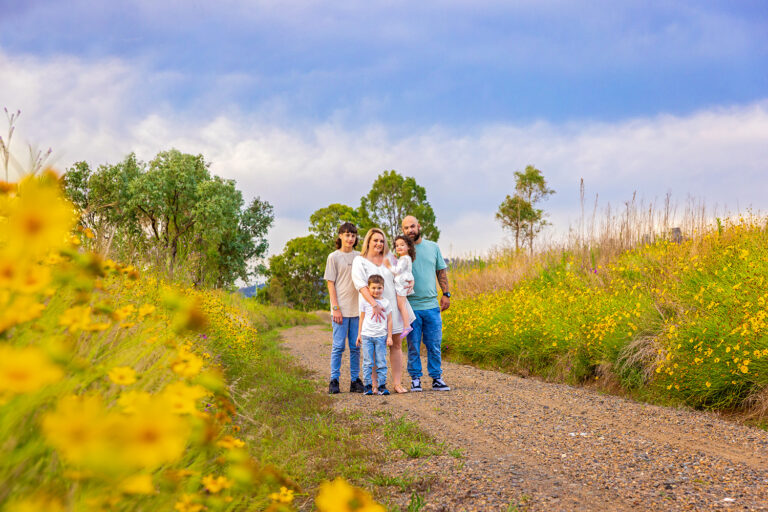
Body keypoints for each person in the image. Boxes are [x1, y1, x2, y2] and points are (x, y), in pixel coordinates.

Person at [351, 227, 415, 394]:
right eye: (375, 240)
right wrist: (374, 304)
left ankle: (397, 383)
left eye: (381, 240)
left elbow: (402, 274)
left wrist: (410, 283)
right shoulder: (360, 260)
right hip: (372, 309)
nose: (379, 243)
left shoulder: (389, 258)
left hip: (391, 305)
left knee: (396, 344)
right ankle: (374, 384)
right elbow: (361, 285)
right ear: (369, 242)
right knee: (372, 346)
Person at [401, 215, 451, 392]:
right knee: (413, 345)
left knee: (434, 344)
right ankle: (415, 379)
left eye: (412, 226)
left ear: (419, 226)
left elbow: (441, 272)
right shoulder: (402, 251)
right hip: (411, 307)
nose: (410, 230)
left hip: (431, 306)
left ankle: (436, 378)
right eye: (406, 228)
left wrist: (446, 294)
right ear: (403, 231)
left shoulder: (433, 247)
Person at [323, 222, 364, 394]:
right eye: (347, 235)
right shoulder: (334, 257)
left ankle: (355, 380)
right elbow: (330, 284)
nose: (350, 238)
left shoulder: (359, 257)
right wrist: (336, 308)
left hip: (357, 310)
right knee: (338, 346)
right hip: (340, 309)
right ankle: (334, 380)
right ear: (340, 236)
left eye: (353, 236)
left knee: (355, 347)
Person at [356, 274, 393, 395]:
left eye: (379, 288)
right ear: (368, 288)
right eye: (373, 288)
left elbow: (390, 320)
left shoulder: (386, 302)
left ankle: (382, 386)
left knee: (381, 361)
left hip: (381, 337)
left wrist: (390, 336)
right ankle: (367, 386)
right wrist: (359, 335)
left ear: (383, 288)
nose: (376, 291)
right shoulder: (365, 301)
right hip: (367, 336)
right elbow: (361, 319)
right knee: (368, 362)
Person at [383, 234, 416, 337]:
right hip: (403, 282)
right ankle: (406, 325)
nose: (399, 247)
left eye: (402, 245)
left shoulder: (404, 259)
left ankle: (407, 326)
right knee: (401, 304)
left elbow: (397, 271)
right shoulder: (405, 258)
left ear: (408, 247)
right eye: (397, 245)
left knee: (401, 305)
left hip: (401, 284)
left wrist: (388, 265)